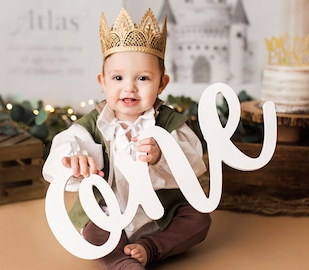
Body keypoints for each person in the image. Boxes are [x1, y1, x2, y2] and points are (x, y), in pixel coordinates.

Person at [43, 7, 211, 270]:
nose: (129, 87)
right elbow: (66, 145)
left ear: (162, 84)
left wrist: (163, 154)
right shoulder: (94, 124)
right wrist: (74, 159)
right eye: (118, 77)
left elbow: (195, 160)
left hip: (160, 213)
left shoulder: (168, 123)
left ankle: (152, 247)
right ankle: (122, 263)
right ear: (103, 81)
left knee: (198, 220)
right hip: (110, 213)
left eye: (143, 78)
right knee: (94, 233)